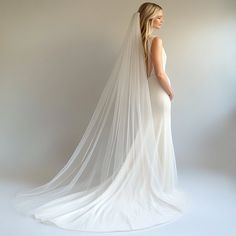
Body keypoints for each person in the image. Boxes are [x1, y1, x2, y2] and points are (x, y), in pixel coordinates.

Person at [13, 2, 191, 232]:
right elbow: (159, 73)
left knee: (148, 137)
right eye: (158, 17)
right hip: (158, 95)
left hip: (150, 93)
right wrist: (170, 91)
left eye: (162, 17)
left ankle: (143, 181)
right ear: (148, 19)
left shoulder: (141, 44)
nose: (162, 21)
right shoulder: (156, 41)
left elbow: (145, 73)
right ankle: (152, 184)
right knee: (155, 137)